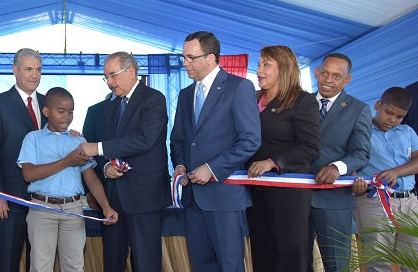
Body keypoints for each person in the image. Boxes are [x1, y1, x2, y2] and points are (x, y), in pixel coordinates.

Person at [170, 31, 261, 271]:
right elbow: (178, 140)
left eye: (191, 57)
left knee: (230, 266)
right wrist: (179, 165)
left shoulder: (239, 87)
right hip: (192, 199)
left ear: (211, 58)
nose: (185, 63)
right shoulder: (185, 94)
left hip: (225, 197)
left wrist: (212, 168)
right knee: (201, 265)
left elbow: (250, 141)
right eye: (184, 57)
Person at [78, 51, 171, 271]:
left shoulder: (154, 99)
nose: (109, 82)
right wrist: (107, 165)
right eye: (106, 77)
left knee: (145, 262)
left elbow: (144, 140)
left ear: (130, 72)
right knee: (112, 262)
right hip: (113, 200)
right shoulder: (111, 106)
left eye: (113, 75)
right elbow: (107, 145)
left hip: (145, 198)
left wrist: (98, 149)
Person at [17, 87, 117, 272]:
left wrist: (106, 207)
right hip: (41, 210)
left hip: (73, 210)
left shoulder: (78, 141)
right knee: (40, 266)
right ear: (46, 112)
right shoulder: (33, 138)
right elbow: (28, 174)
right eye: (61, 111)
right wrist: (67, 161)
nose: (67, 117)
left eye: (70, 112)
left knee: (74, 266)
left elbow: (91, 178)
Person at [245, 45, 321, 272]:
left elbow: (311, 147)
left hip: (288, 191)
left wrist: (273, 162)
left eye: (266, 64)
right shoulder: (252, 99)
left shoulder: (303, 101)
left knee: (290, 255)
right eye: (259, 64)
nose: (259, 70)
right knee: (262, 252)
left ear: (284, 68)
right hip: (255, 190)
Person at [0, 48, 46, 272]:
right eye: (28, 69)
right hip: (9, 199)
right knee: (7, 262)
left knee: (38, 263)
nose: (34, 75)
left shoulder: (49, 104)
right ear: (15, 70)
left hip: (44, 200)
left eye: (38, 70)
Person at [307, 53, 371, 272]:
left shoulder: (358, 109)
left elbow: (361, 153)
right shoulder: (300, 103)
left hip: (334, 200)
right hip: (295, 198)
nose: (328, 80)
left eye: (336, 76)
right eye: (324, 73)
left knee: (337, 264)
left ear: (347, 80)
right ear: (317, 72)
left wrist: (337, 167)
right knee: (295, 261)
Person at [352, 87, 418, 272]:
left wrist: (396, 172)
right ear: (378, 105)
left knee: (413, 258)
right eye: (389, 113)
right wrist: (354, 183)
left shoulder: (407, 132)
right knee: (378, 261)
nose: (393, 120)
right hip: (373, 201)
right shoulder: (361, 131)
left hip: (410, 202)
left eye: (399, 117)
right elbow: (352, 164)